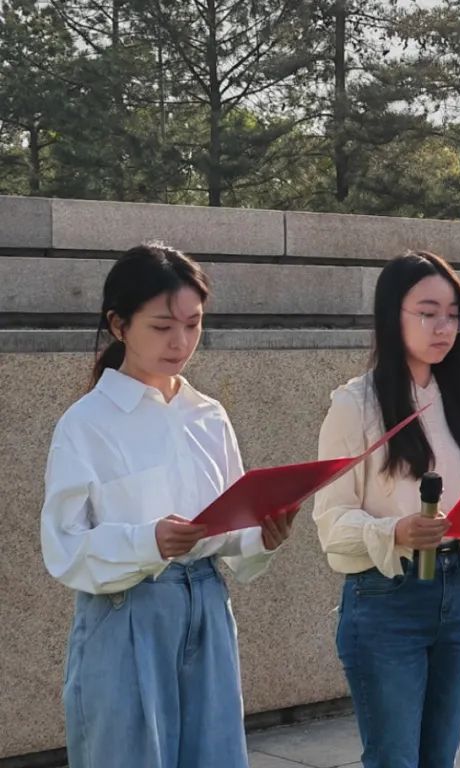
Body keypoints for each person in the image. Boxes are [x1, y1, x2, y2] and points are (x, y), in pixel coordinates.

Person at [41, 243, 297, 768]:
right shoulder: (86, 423)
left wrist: (263, 536)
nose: (180, 342)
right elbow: (63, 546)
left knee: (216, 756)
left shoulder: (208, 415)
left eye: (193, 324)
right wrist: (147, 541)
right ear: (119, 325)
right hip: (126, 612)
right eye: (161, 326)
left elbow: (229, 529)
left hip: (208, 604)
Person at [313, 250, 460, 768]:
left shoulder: (457, 400)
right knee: (395, 759)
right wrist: (397, 531)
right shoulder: (355, 405)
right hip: (384, 599)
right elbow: (330, 523)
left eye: (454, 315)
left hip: (455, 596)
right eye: (428, 312)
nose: (444, 328)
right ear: (392, 315)